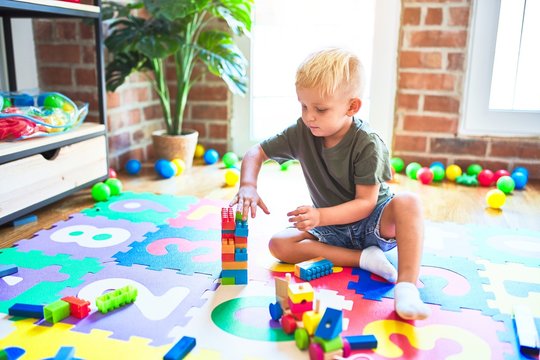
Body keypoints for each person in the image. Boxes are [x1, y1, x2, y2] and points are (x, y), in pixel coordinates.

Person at [230, 48, 430, 320]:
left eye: (320, 109)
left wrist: (319, 216)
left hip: (373, 223)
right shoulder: (302, 132)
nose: (309, 116)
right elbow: (256, 153)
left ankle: (406, 287)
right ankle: (363, 260)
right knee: (279, 244)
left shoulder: (367, 142)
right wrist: (248, 185)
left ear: (352, 107)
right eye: (303, 106)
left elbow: (366, 204)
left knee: (409, 203)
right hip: (331, 232)